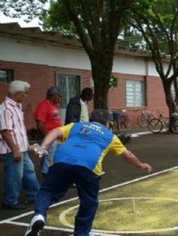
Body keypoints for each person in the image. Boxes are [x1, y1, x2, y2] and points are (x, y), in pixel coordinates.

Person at [25, 109, 152, 236]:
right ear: (107, 123)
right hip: (88, 166)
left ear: (91, 119)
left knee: (47, 191)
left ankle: (39, 215)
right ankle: (81, 233)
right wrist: (141, 165)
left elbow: (55, 131)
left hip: (61, 159)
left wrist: (43, 147)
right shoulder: (109, 136)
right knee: (88, 202)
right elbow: (128, 155)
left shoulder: (76, 126)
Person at [0, 81, 40, 210]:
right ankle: (10, 201)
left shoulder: (17, 107)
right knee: (14, 176)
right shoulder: (6, 108)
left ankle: (34, 195)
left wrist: (27, 145)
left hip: (21, 148)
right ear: (18, 93)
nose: (26, 96)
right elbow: (5, 131)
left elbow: (19, 130)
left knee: (29, 171)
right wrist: (15, 150)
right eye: (25, 93)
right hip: (12, 150)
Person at [33, 87, 62, 177]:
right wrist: (48, 137)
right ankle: (46, 174)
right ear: (53, 96)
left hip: (56, 135)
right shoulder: (43, 105)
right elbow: (40, 124)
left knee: (52, 155)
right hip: (48, 136)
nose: (60, 98)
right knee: (48, 156)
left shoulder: (55, 105)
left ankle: (48, 172)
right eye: (58, 96)